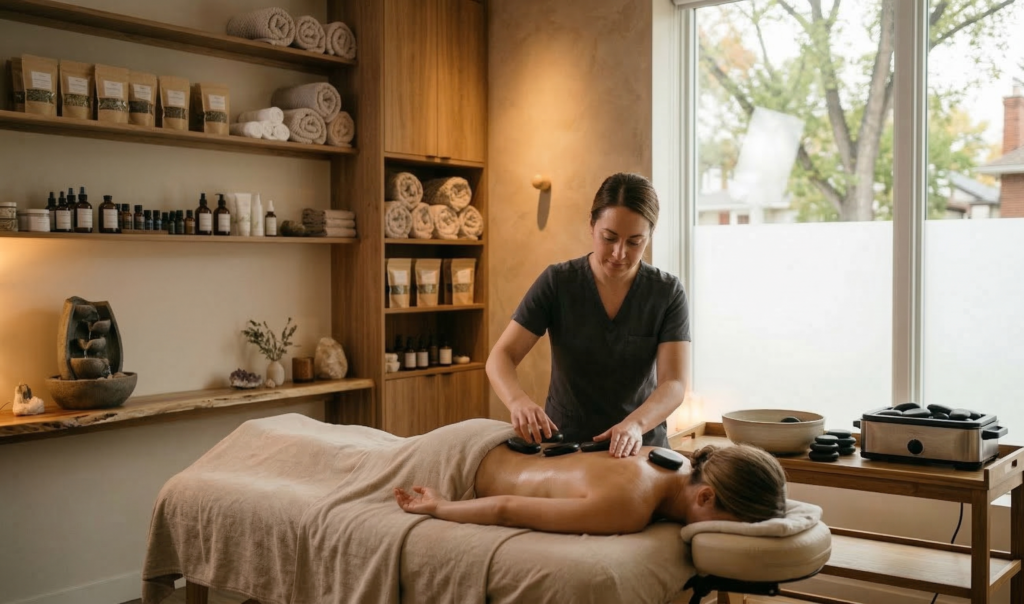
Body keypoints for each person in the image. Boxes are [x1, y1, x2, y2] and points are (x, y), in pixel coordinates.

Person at [487, 172, 690, 457]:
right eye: (609, 238)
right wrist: (517, 401)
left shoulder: (667, 292)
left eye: (634, 242)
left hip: (640, 446)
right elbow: (501, 356)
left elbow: (674, 384)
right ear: (592, 226)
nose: (619, 253)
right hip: (567, 446)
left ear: (650, 235)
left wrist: (635, 424)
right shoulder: (558, 282)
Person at [394, 442, 786, 535]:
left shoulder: (682, 461)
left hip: (495, 441)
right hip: (459, 464)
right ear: (705, 496)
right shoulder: (629, 507)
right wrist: (440, 507)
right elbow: (506, 509)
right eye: (730, 524)